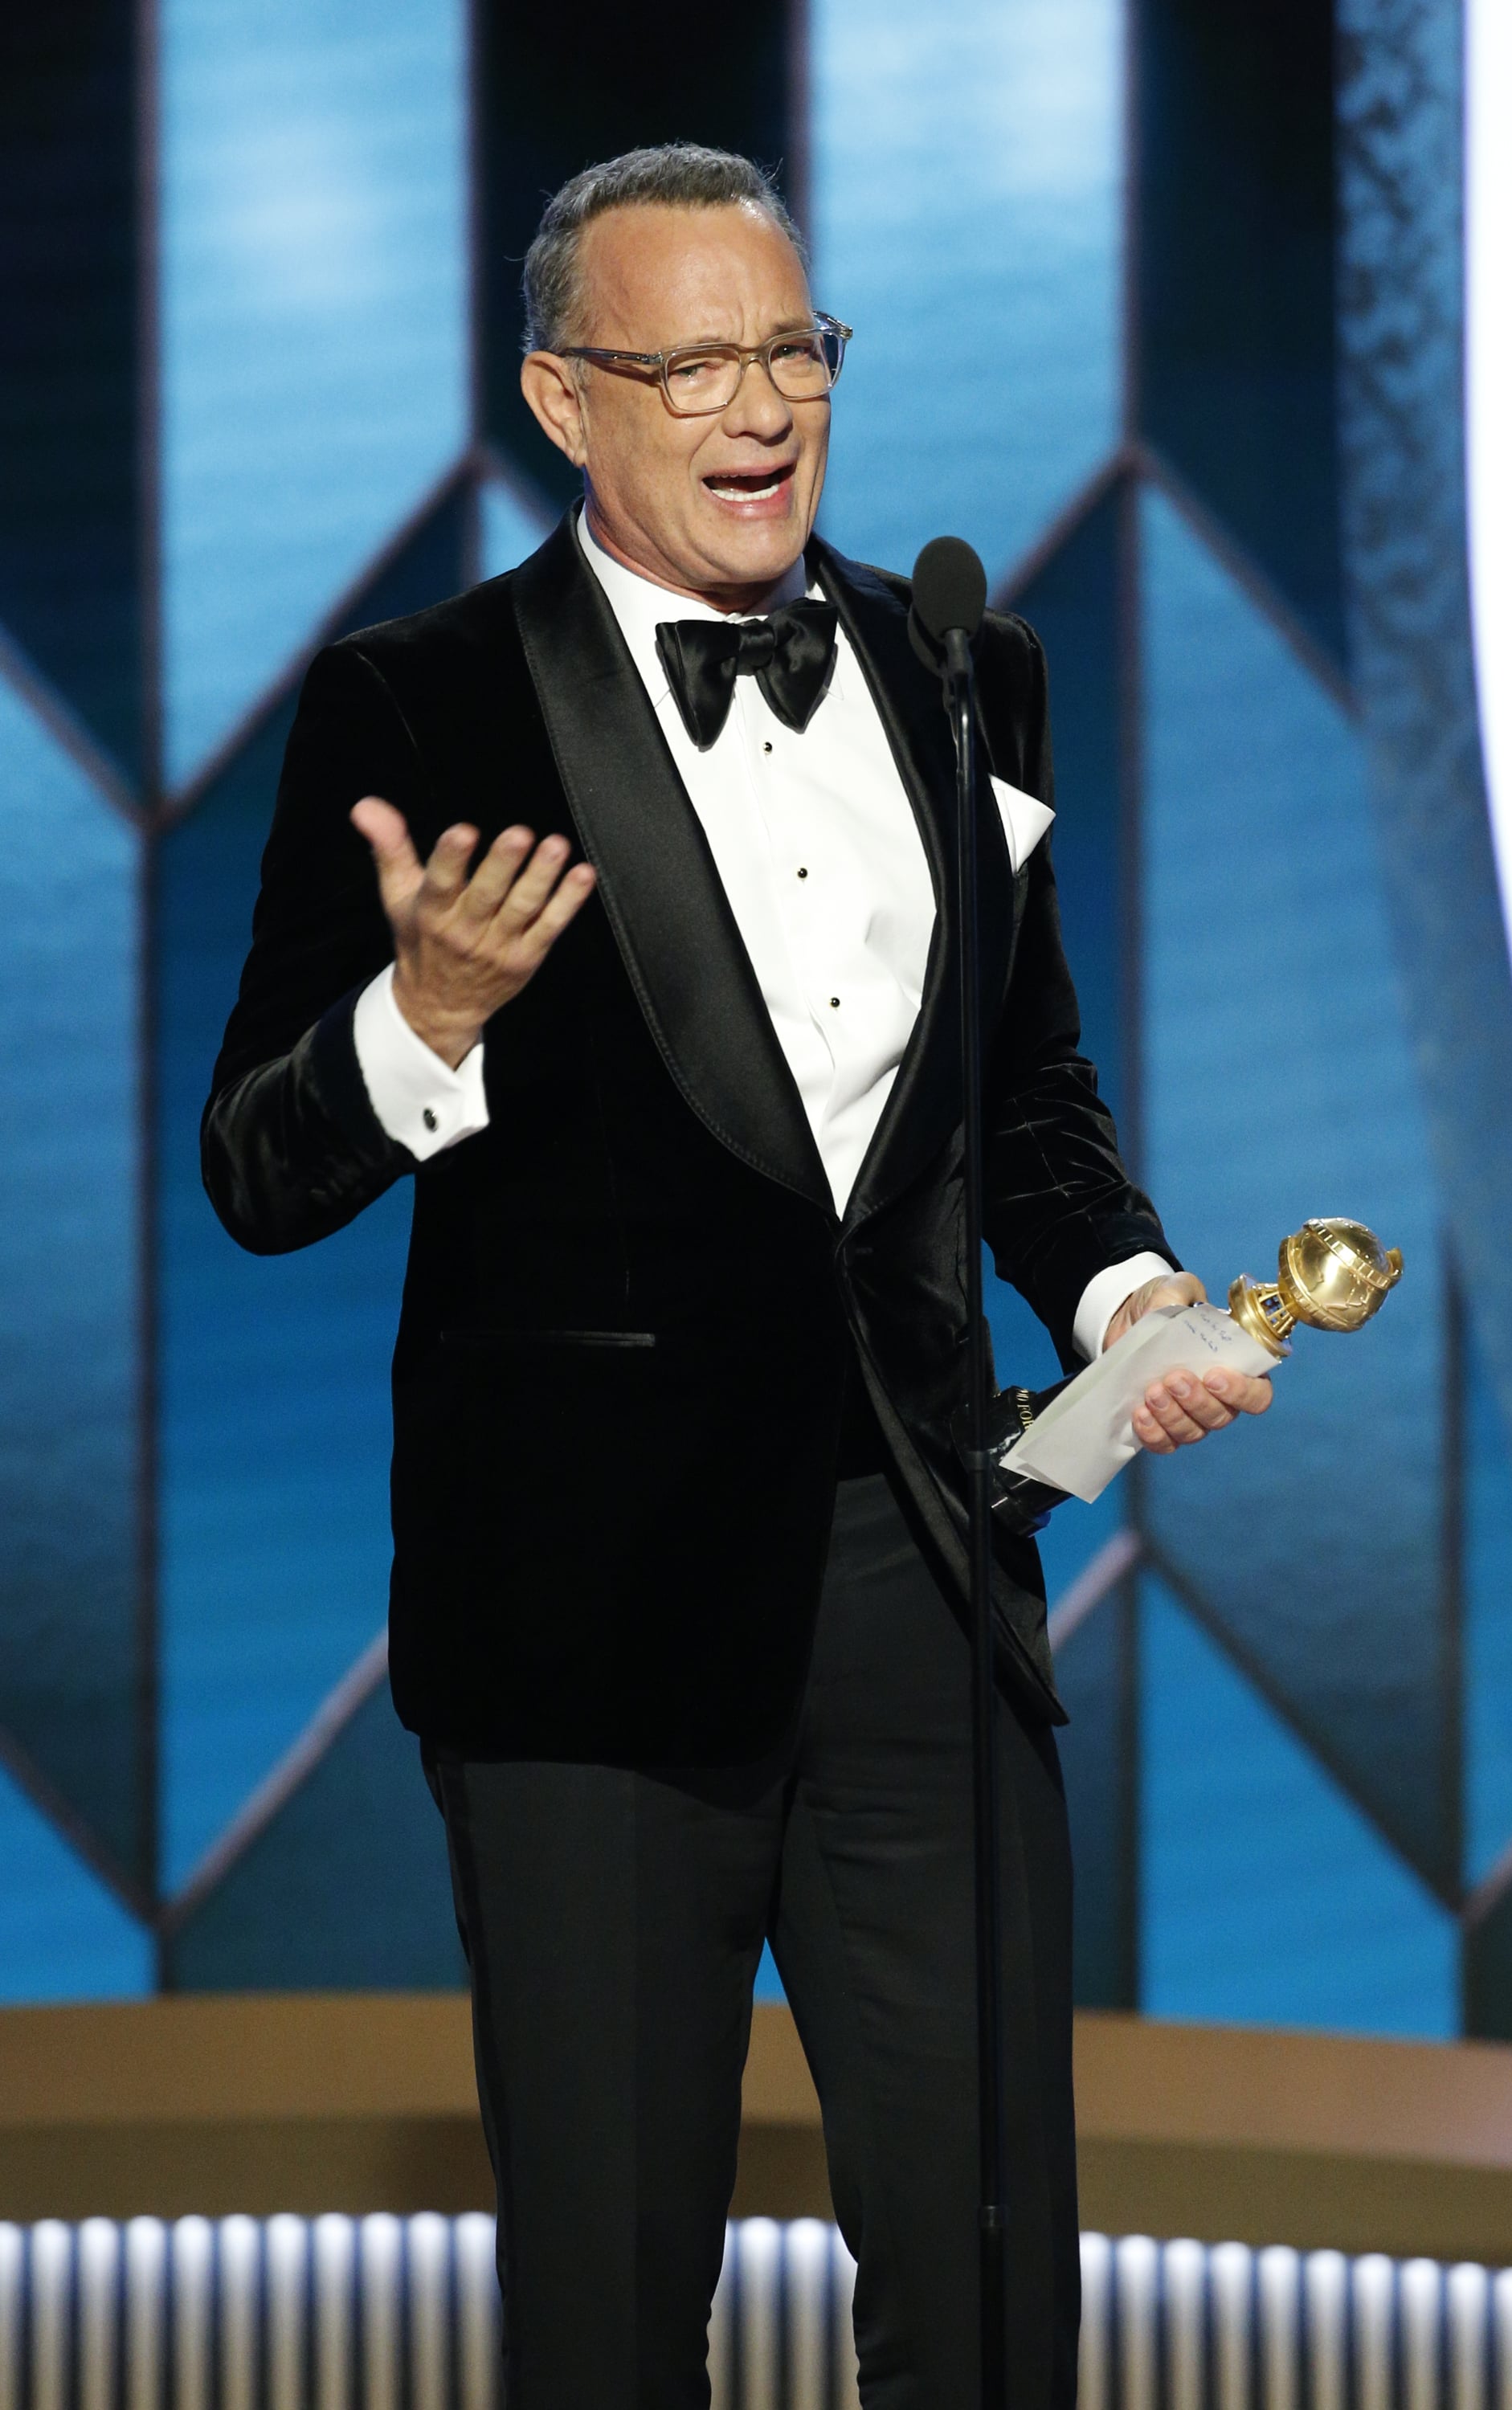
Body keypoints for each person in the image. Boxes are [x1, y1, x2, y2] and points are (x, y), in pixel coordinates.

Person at [203, 142, 1271, 2410]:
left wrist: (1127, 1304)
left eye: (788, 346)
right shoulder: (423, 705)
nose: (755, 400)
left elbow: (1032, 1104)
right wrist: (425, 1030)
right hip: (587, 1635)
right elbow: (255, 1173)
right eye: (687, 359)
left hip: (928, 1575)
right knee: (610, 2312)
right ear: (560, 400)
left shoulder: (959, 662)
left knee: (994, 2281)